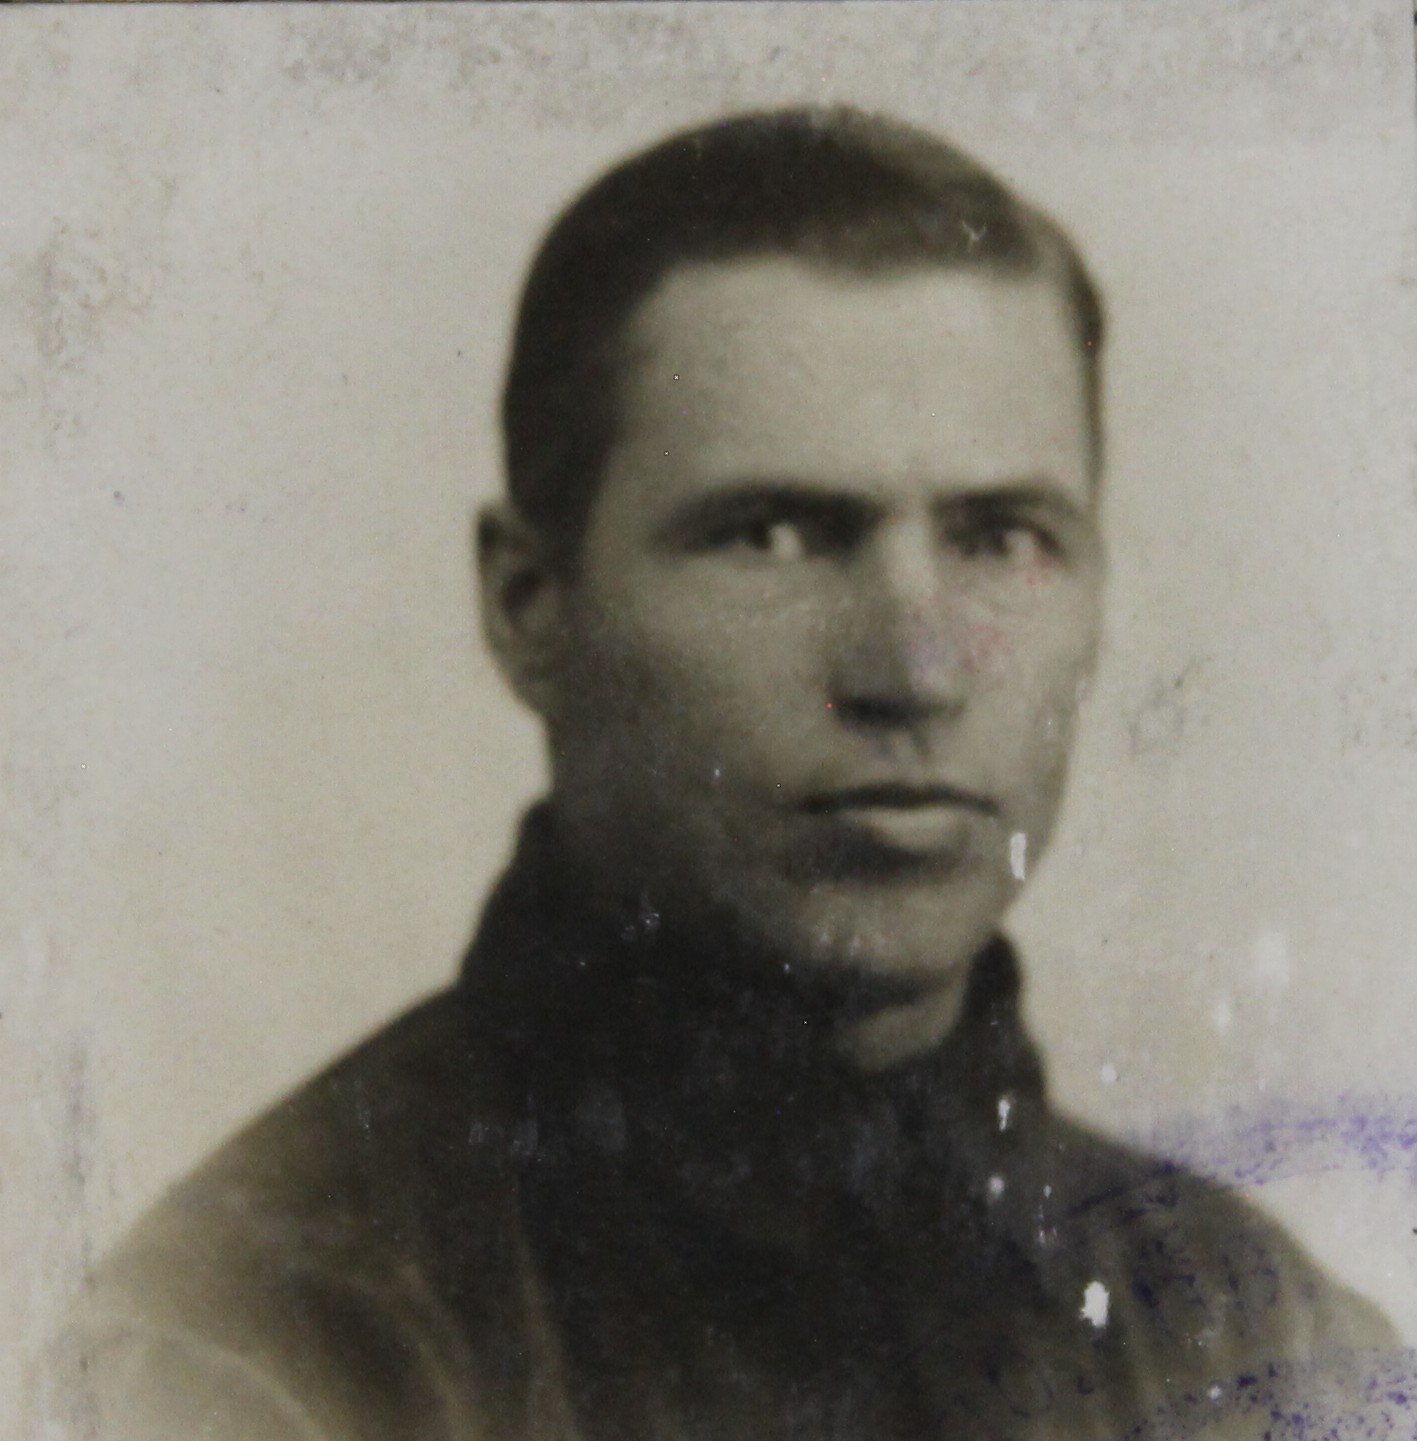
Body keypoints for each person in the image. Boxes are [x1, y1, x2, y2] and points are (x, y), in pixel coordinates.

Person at [39, 107, 1399, 1441]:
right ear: (528, 605)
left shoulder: (1271, 1345)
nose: (916, 669)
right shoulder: (245, 1359)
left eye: (1001, 537)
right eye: (774, 536)